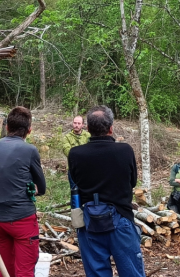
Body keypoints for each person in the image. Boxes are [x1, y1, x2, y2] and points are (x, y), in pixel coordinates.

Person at [68, 105, 145, 277]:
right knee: (132, 273)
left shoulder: (75, 154)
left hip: (89, 223)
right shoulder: (125, 151)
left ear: (87, 129)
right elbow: (132, 182)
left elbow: (74, 184)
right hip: (121, 219)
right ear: (111, 128)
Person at [0, 106, 46, 277]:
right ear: (29, 130)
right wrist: (33, 190)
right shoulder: (29, 150)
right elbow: (41, 187)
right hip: (21, 220)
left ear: (7, 127)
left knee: (4, 270)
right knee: (24, 271)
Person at [62, 115, 90, 202]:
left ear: (82, 125)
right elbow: (68, 152)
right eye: (75, 123)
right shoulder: (67, 137)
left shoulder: (88, 136)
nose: (76, 125)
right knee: (75, 192)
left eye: (79, 123)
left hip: (87, 170)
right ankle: (76, 212)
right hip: (73, 170)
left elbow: (91, 151)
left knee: (88, 192)